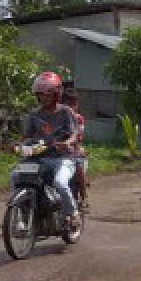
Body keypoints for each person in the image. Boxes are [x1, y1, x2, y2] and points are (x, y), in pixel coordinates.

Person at [19, 71, 80, 232]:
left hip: (63, 158)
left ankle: (73, 214)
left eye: (47, 95)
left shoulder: (66, 112)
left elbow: (74, 134)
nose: (43, 99)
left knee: (60, 182)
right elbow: (26, 136)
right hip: (39, 158)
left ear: (56, 95)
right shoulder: (34, 115)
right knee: (16, 177)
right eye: (40, 95)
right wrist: (20, 146)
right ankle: (23, 214)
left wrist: (66, 143)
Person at [60, 83, 90, 213]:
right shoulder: (56, 115)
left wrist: (70, 145)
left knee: (79, 170)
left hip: (74, 151)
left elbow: (78, 136)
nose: (71, 107)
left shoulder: (78, 119)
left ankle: (84, 198)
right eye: (67, 104)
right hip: (56, 151)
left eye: (73, 104)